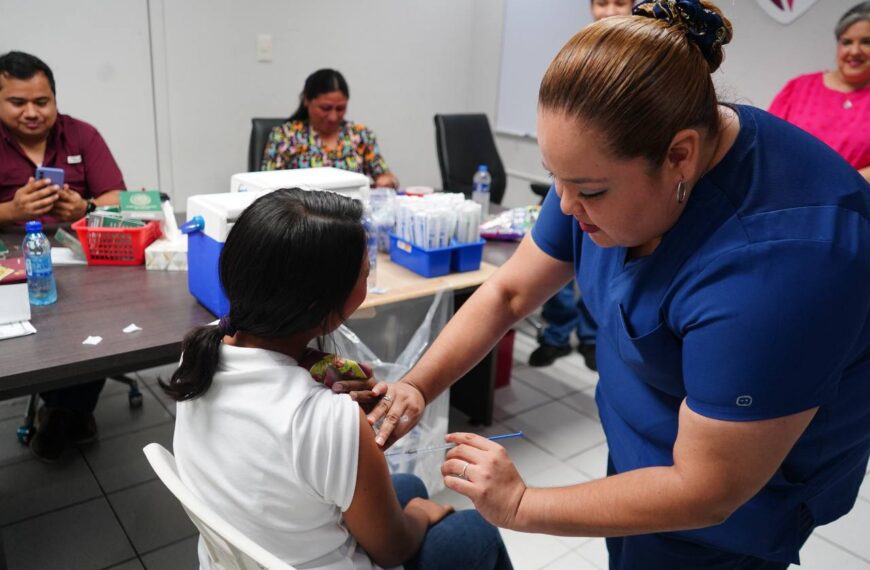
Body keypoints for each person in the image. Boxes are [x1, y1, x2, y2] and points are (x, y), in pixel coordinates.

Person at [365, 1, 870, 568]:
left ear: (680, 157)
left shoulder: (784, 266)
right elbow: (510, 292)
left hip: (729, 515)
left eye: (588, 191)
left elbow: (707, 490)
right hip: (644, 450)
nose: (565, 206)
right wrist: (418, 384)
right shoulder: (605, 162)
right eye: (556, 180)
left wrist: (523, 505)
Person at [163, 188, 511, 570]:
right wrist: (423, 513)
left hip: (237, 556)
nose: (368, 278)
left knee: (408, 486)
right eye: (364, 274)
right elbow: (393, 550)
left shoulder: (199, 351)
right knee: (472, 529)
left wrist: (305, 361)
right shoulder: (328, 419)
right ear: (326, 307)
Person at [0, 51, 126, 461]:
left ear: (55, 99)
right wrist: (11, 211)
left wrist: (85, 207)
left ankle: (64, 409)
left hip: (80, 256)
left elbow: (117, 197)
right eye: (17, 102)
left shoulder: (81, 135)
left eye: (42, 101)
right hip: (12, 260)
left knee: (98, 315)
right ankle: (66, 409)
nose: (32, 112)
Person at [530, 0, 635, 370]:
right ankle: (557, 334)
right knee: (556, 255)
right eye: (600, 2)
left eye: (619, 2)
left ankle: (591, 337)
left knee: (604, 259)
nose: (608, 11)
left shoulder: (645, 67)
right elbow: (509, 294)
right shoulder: (580, 53)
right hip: (582, 175)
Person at [769, 2, 870, 181]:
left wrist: (839, 185)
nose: (855, 51)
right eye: (847, 42)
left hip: (856, 196)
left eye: (866, 42)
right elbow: (767, 142)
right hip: (788, 191)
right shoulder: (799, 88)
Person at [262, 69, 399, 189]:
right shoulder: (285, 136)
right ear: (307, 101)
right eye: (325, 108)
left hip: (351, 209)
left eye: (340, 109)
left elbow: (385, 176)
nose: (333, 117)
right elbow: (266, 186)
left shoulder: (360, 135)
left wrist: (388, 181)